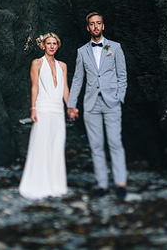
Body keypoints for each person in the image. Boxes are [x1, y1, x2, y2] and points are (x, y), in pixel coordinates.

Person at [67, 12, 128, 200]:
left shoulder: (115, 47)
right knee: (96, 145)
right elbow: (77, 79)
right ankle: (102, 185)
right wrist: (71, 104)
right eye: (92, 24)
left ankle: (120, 183)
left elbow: (122, 75)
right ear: (88, 28)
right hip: (91, 104)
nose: (95, 27)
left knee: (115, 142)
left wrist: (119, 97)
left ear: (103, 26)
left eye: (98, 23)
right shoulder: (81, 51)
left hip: (112, 102)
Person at [18, 32, 70, 199]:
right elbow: (34, 87)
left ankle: (56, 184)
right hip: (43, 107)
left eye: (55, 43)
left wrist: (71, 106)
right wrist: (33, 108)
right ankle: (38, 183)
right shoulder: (37, 63)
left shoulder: (63, 65)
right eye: (49, 43)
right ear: (44, 45)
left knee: (57, 144)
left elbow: (65, 88)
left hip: (58, 109)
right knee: (42, 143)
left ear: (58, 45)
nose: (52, 46)